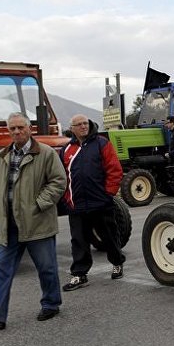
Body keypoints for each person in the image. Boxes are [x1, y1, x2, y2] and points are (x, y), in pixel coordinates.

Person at [0, 112, 67, 330]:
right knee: (1, 269)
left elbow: (59, 182)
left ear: (30, 129)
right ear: (8, 131)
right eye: (12, 128)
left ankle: (51, 303)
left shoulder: (46, 154)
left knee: (46, 267)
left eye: (21, 127)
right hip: (8, 224)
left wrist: (39, 204)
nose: (17, 132)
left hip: (37, 222)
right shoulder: (0, 157)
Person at [60, 114, 125, 291]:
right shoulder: (66, 149)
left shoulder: (102, 143)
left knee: (109, 237)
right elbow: (61, 176)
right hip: (76, 205)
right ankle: (79, 275)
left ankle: (117, 262)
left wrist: (108, 194)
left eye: (85, 123)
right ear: (72, 128)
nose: (83, 127)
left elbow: (115, 169)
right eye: (78, 124)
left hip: (100, 203)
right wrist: (66, 197)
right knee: (79, 240)